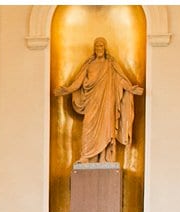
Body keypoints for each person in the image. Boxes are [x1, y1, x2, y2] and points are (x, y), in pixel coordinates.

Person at [54, 36, 144, 165]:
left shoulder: (110, 65)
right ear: (94, 49)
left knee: (107, 128)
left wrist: (131, 89)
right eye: (96, 46)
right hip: (92, 102)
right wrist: (67, 90)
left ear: (105, 48)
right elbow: (78, 82)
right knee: (88, 126)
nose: (99, 48)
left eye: (101, 46)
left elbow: (119, 80)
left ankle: (104, 158)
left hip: (107, 103)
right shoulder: (89, 65)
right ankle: (86, 156)